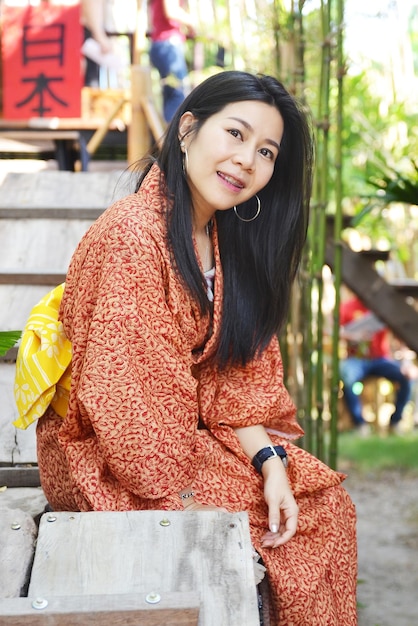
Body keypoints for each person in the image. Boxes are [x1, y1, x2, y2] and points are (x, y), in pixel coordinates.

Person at [15, 71, 357, 625]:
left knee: (320, 503)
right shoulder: (132, 235)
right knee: (297, 527)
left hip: (182, 439)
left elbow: (235, 382)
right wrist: (211, 476)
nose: (248, 160)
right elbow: (132, 418)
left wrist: (269, 464)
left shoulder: (222, 240)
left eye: (267, 151)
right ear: (188, 130)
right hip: (105, 455)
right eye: (236, 134)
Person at [340, 293, 413, 433]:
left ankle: (395, 422)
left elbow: (401, 334)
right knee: (348, 379)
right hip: (356, 359)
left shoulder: (382, 306)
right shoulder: (347, 307)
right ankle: (360, 424)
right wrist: (354, 336)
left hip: (381, 359)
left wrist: (406, 362)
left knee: (405, 377)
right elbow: (332, 331)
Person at [148, 0, 196, 122]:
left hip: (160, 43)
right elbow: (171, 11)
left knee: (170, 93)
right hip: (168, 44)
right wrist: (194, 23)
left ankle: (168, 135)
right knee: (178, 92)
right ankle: (174, 137)